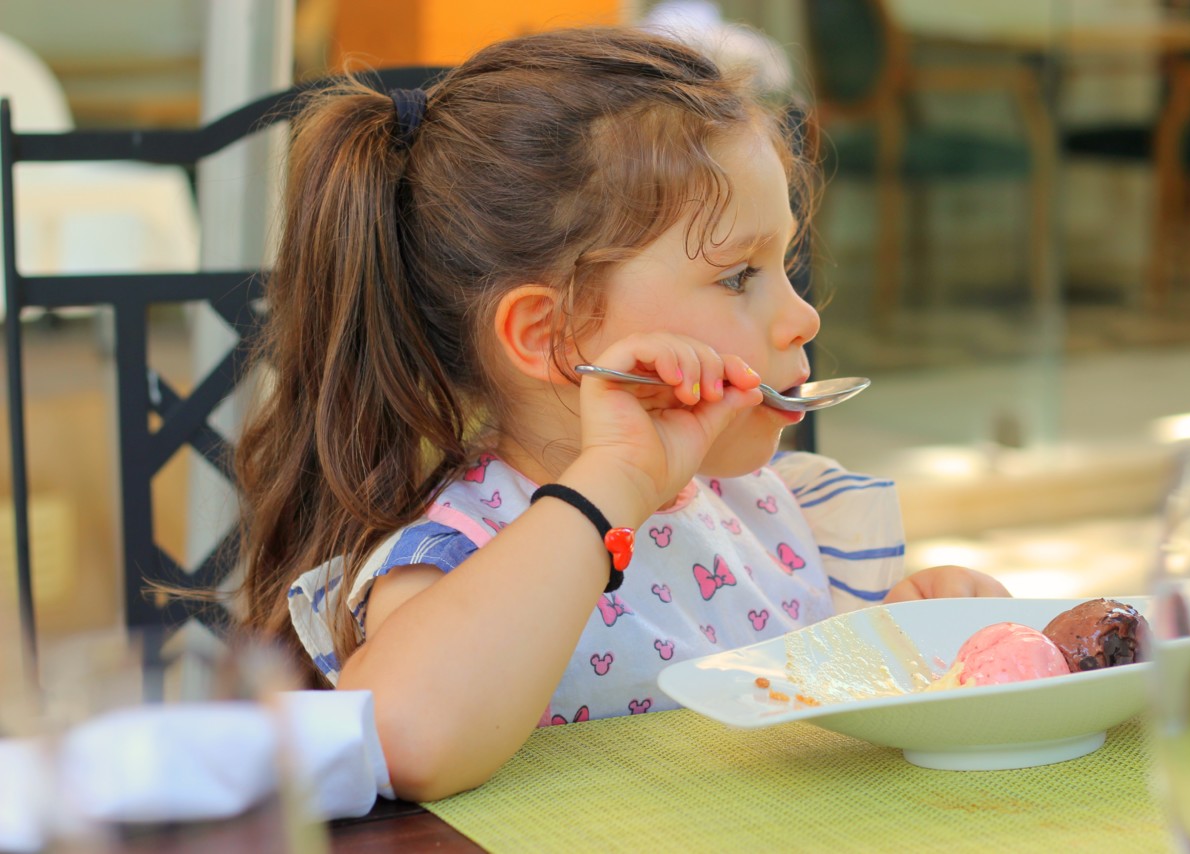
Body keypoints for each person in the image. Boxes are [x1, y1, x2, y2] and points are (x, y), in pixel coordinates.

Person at [235, 26, 1009, 802]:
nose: (803, 316)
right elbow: (405, 738)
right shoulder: (460, 552)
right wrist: (613, 483)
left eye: (787, 261)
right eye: (739, 277)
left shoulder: (780, 519)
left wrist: (915, 642)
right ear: (550, 335)